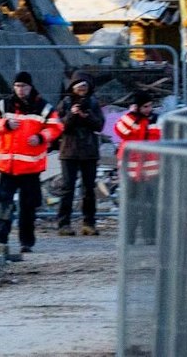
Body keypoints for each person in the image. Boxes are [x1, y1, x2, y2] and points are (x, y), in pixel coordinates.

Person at [0, 71, 62, 259]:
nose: (21, 90)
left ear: (30, 87)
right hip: (8, 167)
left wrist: (41, 137)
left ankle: (26, 242)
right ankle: (0, 238)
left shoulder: (42, 107)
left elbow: (56, 127)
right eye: (18, 86)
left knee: (28, 207)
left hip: (30, 168)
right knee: (4, 203)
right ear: (14, 87)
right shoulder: (4, 105)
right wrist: (4, 124)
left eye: (24, 86)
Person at [55, 73, 105, 235]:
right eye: (78, 86)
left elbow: (99, 125)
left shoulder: (93, 103)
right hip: (69, 151)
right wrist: (72, 114)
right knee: (67, 188)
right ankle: (64, 224)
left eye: (84, 86)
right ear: (73, 87)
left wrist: (87, 116)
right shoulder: (65, 103)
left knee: (89, 189)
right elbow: (60, 127)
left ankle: (89, 223)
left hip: (89, 151)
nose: (82, 89)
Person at [115, 90, 162, 245]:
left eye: (150, 106)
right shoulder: (128, 119)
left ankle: (150, 237)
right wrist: (136, 117)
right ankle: (129, 237)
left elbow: (159, 137)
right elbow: (122, 131)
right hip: (131, 171)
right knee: (131, 206)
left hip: (150, 171)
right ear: (137, 107)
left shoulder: (156, 119)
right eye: (145, 107)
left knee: (150, 206)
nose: (149, 110)